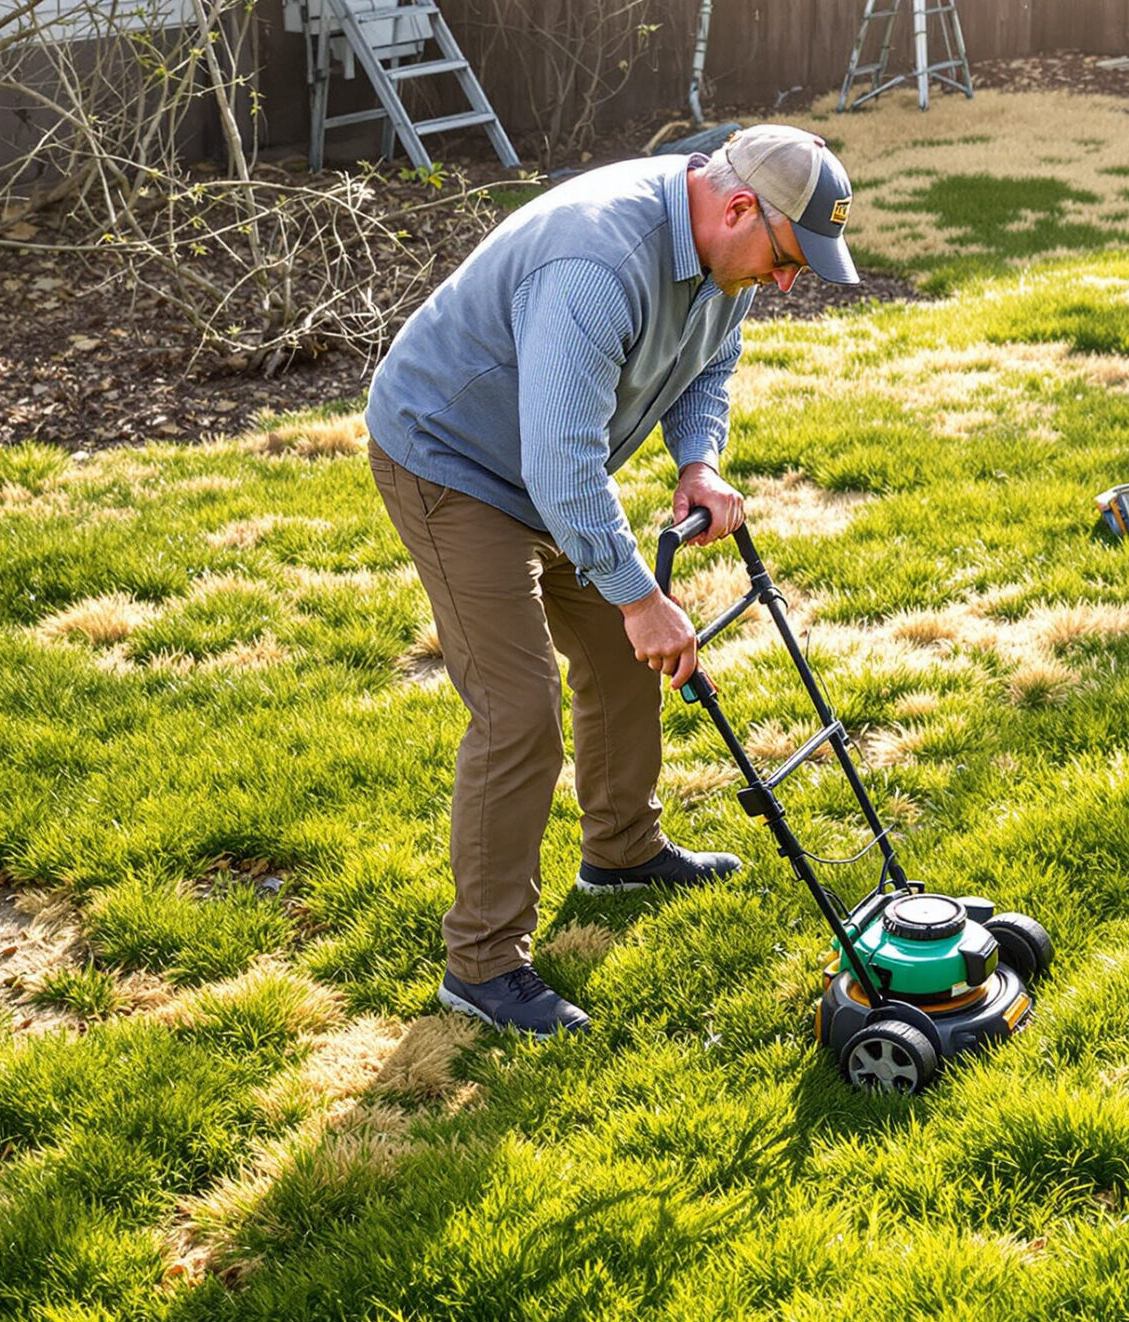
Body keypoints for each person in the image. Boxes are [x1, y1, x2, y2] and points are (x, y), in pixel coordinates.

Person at [363, 125, 860, 1036]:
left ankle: (623, 852)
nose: (787, 283)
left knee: (629, 659)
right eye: (788, 260)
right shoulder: (599, 262)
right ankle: (482, 964)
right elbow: (560, 467)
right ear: (739, 207)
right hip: (452, 461)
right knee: (519, 711)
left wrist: (700, 460)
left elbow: (710, 364)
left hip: (549, 467)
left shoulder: (725, 259)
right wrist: (639, 597)